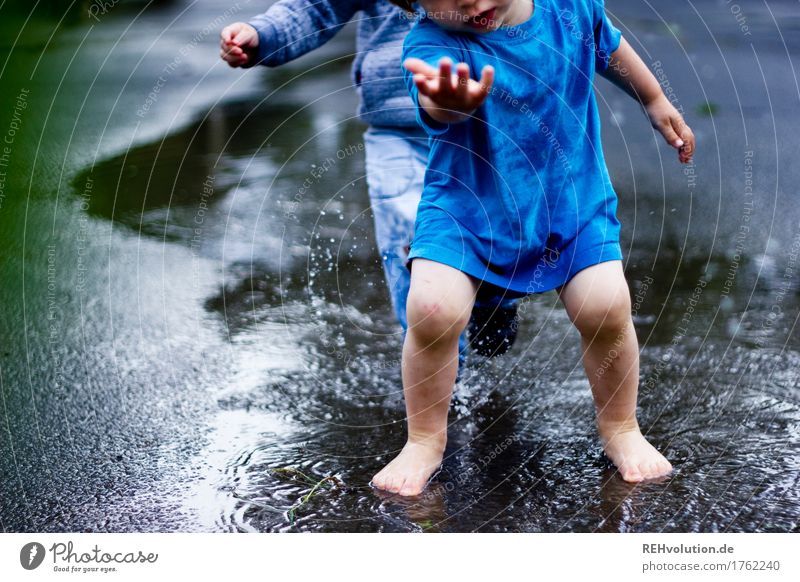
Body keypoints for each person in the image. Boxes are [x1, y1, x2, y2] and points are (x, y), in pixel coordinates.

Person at [370, 0, 695, 496]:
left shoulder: (570, 7)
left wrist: (652, 98)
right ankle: (424, 439)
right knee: (432, 310)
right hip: (468, 210)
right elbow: (438, 106)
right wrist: (451, 101)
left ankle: (621, 427)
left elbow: (607, 45)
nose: (470, 4)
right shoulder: (432, 43)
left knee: (606, 308)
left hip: (570, 203)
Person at [219, 1, 520, 364]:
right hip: (398, 128)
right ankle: (437, 360)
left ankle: (493, 297)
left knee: (495, 230)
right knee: (409, 241)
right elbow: (318, 7)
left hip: (484, 125)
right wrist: (263, 35)